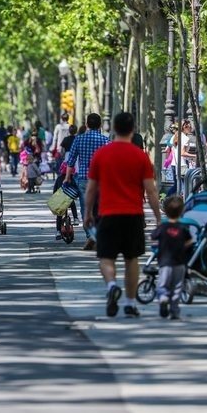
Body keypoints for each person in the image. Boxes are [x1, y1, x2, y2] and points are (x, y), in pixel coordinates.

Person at [84, 112, 161, 318]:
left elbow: (91, 189)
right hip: (133, 215)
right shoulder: (141, 157)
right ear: (132, 129)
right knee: (131, 259)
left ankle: (111, 286)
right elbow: (151, 190)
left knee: (105, 256)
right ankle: (130, 302)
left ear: (114, 129)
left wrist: (87, 213)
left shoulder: (101, 155)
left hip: (107, 213)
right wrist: (159, 217)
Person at [65, 113, 110, 250]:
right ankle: (98, 233)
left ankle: (90, 234)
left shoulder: (79, 139)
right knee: (101, 207)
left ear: (87, 124)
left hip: (84, 178)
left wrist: (67, 178)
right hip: (102, 179)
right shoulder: (105, 140)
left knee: (86, 208)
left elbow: (71, 161)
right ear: (100, 125)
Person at [150, 196, 193, 320]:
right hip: (179, 263)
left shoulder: (162, 228)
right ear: (181, 211)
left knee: (163, 284)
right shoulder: (183, 228)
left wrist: (158, 245)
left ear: (165, 211)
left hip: (165, 262)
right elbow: (190, 242)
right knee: (177, 287)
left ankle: (163, 298)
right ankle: (174, 311)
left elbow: (152, 238)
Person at [53, 162, 79, 239]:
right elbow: (76, 188)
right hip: (69, 200)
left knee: (59, 216)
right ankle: (75, 218)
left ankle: (58, 231)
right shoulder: (71, 179)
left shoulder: (59, 179)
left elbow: (55, 190)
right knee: (73, 204)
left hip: (60, 201)